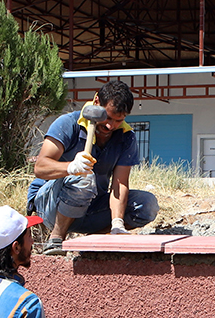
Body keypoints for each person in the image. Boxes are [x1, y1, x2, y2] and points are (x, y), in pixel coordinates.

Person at [28, 80, 159, 254]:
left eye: (118, 120)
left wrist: (117, 223)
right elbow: (40, 167)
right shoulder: (69, 124)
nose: (110, 126)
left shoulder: (125, 137)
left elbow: (119, 184)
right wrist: (71, 167)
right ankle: (56, 239)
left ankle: (94, 240)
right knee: (83, 176)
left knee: (146, 205)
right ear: (96, 102)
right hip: (50, 206)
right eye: (108, 117)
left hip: (90, 207)